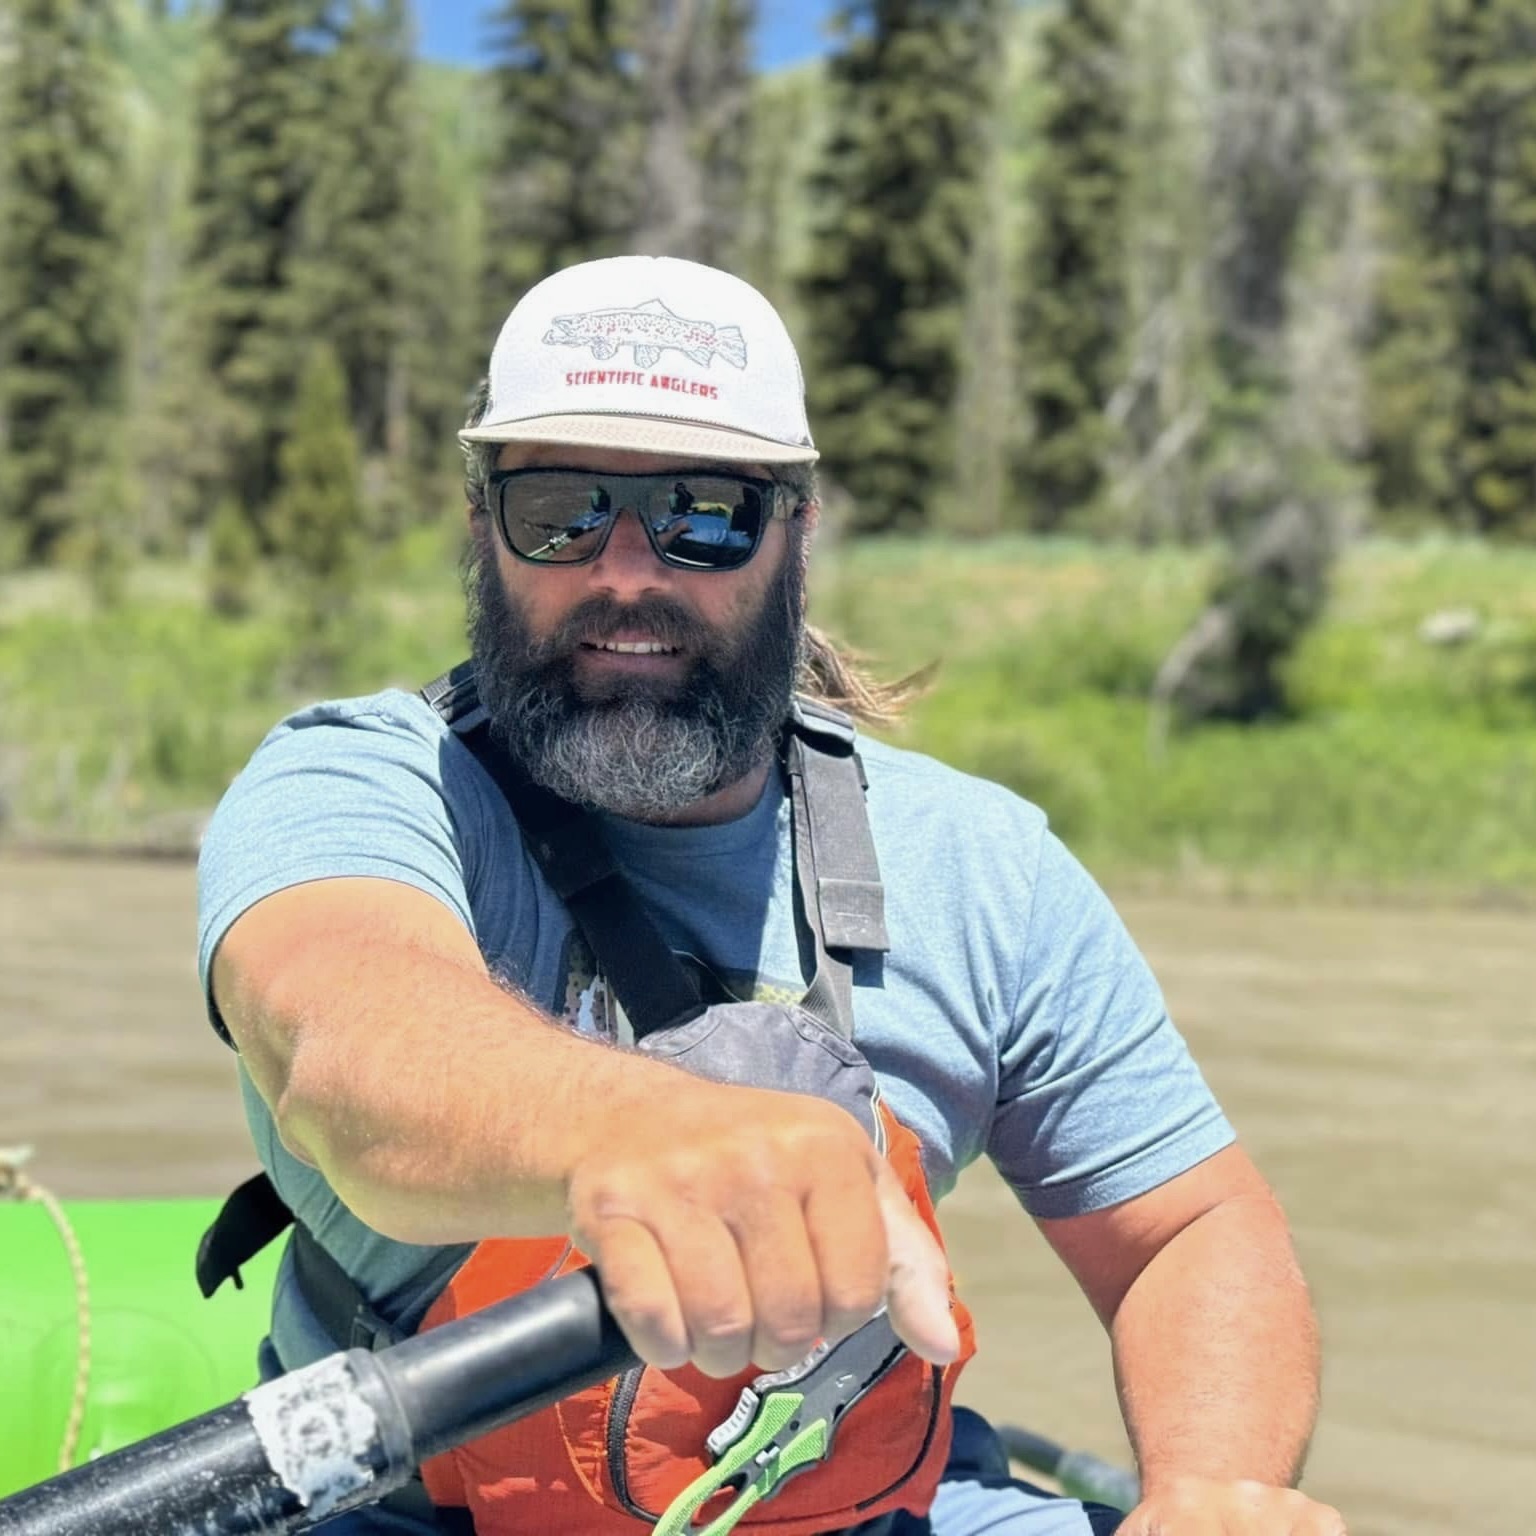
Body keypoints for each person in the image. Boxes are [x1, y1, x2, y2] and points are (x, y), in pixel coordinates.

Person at [197, 255, 1344, 1536]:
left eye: (704, 514)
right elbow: (350, 1049)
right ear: (482, 528)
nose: (627, 570)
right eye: (562, 508)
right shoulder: (354, 779)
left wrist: (1216, 1486)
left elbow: (1186, 1230)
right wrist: (640, 1135)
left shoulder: (983, 863)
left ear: (796, 530)